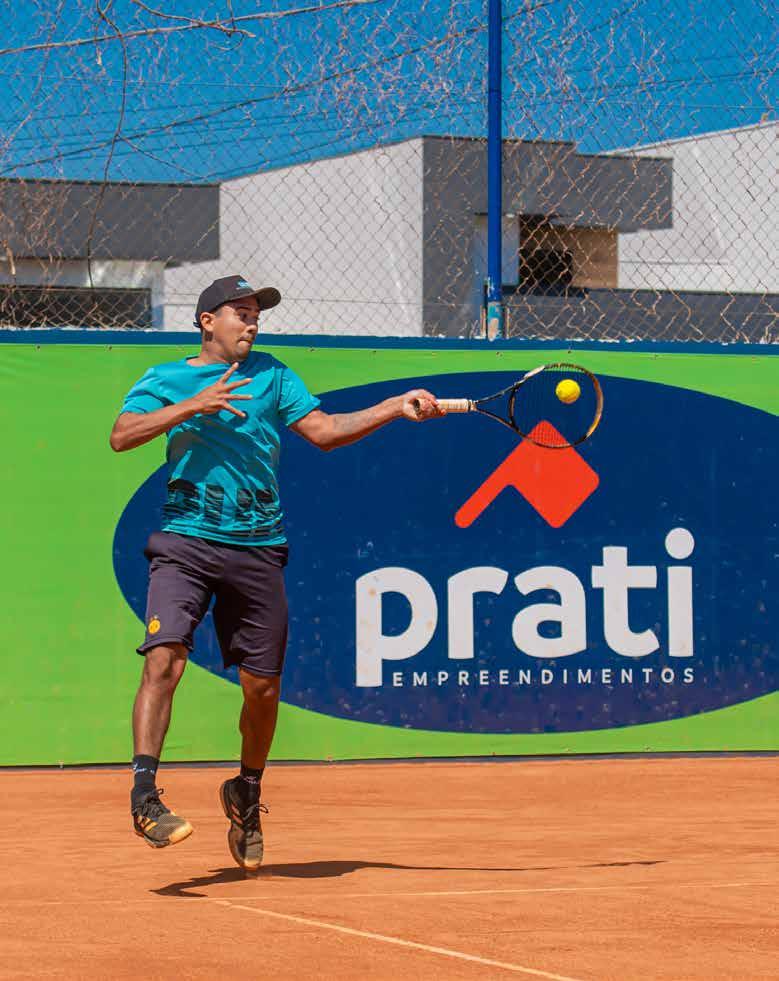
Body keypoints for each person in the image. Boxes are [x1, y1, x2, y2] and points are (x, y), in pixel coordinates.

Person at [109, 275, 442, 870]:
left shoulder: (274, 375)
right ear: (207, 320)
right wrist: (192, 405)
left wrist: (394, 407)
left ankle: (247, 789)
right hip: (185, 541)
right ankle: (144, 796)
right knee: (166, 656)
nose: (252, 321)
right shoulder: (166, 378)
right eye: (240, 312)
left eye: (256, 313)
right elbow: (121, 436)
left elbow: (325, 433)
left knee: (262, 689)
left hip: (259, 549)